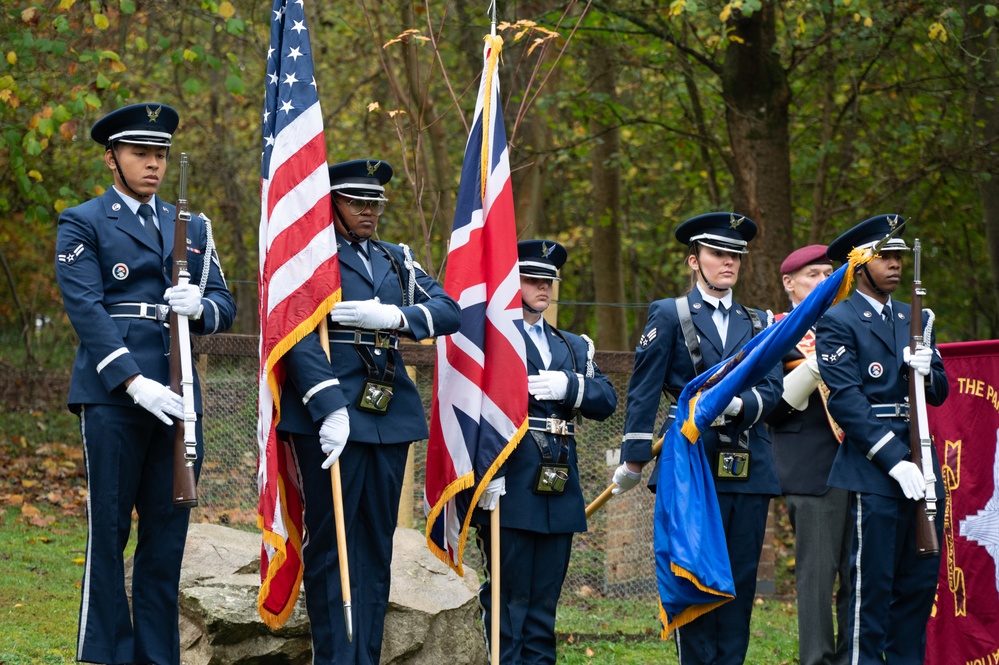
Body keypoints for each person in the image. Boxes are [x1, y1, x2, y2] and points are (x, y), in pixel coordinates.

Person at [54, 102, 236, 664]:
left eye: (160, 154)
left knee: (166, 538)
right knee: (108, 533)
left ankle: (158, 657)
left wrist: (201, 306)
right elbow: (86, 309)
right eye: (140, 154)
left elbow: (225, 304)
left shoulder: (193, 226)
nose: (153, 164)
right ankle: (106, 654)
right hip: (114, 396)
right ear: (112, 159)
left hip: (178, 392)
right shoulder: (83, 220)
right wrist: (133, 383)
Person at [276, 159, 461, 664]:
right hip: (330, 408)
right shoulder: (313, 258)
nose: (369, 211)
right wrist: (327, 405)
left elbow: (448, 310)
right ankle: (335, 655)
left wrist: (399, 315)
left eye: (375, 203)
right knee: (333, 543)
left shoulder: (396, 258)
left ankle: (366, 656)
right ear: (331, 203)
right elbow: (294, 335)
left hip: (386, 409)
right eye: (358, 202)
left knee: (377, 544)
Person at [611, 212, 783, 664]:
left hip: (748, 464)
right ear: (694, 260)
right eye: (717, 253)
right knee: (695, 578)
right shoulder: (670, 314)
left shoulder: (760, 320)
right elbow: (644, 389)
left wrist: (740, 406)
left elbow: (774, 390)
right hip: (690, 463)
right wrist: (633, 460)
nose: (728, 262)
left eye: (735, 256)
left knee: (740, 583)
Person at [470, 239, 617, 664]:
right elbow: (474, 408)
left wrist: (571, 386)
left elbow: (605, 400)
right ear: (511, 282)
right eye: (532, 279)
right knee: (508, 598)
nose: (543, 288)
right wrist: (485, 472)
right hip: (511, 479)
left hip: (558, 482)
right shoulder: (493, 338)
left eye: (548, 280)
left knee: (543, 605)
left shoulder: (572, 345)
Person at [815, 214, 948, 663]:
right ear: (860, 265)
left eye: (899, 257)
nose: (895, 264)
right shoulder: (839, 320)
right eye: (885, 256)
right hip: (874, 472)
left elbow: (941, 391)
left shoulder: (918, 316)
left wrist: (928, 372)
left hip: (923, 466)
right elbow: (846, 401)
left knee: (915, 593)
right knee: (868, 594)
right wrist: (894, 460)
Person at [765, 245, 850, 665]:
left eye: (828, 274)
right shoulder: (779, 330)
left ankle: (857, 655)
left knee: (860, 574)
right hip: (811, 464)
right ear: (789, 282)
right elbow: (773, 406)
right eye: (813, 274)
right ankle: (816, 660)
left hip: (863, 462)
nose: (823, 282)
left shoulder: (851, 324)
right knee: (817, 578)